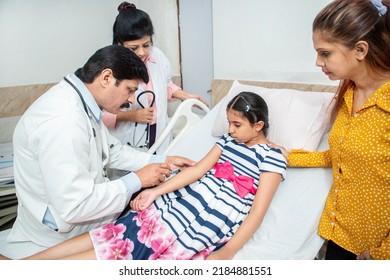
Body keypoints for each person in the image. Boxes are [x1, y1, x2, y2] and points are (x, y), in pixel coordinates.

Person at [9, 92, 287, 260]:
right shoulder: (227, 141)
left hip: (213, 215)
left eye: (237, 124)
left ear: (258, 125)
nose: (232, 129)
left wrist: (229, 250)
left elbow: (256, 213)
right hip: (187, 199)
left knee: (138, 247)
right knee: (120, 230)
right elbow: (197, 171)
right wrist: (156, 191)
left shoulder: (272, 157)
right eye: (229, 123)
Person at [2, 45, 195, 254]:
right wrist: (136, 180)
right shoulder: (64, 120)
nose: (131, 100)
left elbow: (112, 151)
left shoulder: (83, 103)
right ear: (106, 78)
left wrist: (163, 160)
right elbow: (75, 205)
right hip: (58, 234)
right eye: (130, 90)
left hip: (80, 219)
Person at [275, 0, 390, 260]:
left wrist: (382, 255)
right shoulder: (349, 94)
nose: (317, 62)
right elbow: (342, 156)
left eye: (325, 53)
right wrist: (288, 156)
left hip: (373, 250)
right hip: (340, 236)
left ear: (360, 49)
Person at [102, 2, 209, 154]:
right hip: (126, 143)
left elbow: (165, 85)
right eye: (133, 48)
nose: (141, 52)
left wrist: (186, 96)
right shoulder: (109, 67)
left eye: (146, 45)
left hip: (160, 136)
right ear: (120, 43)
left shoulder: (157, 56)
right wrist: (132, 115)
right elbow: (100, 115)